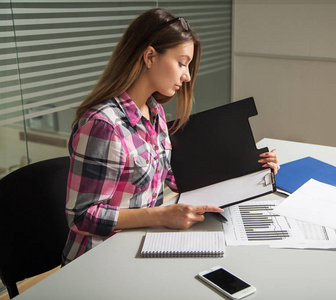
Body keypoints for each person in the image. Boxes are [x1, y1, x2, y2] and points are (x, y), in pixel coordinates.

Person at [62, 8, 280, 265]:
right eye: (182, 62)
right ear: (150, 56)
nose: (187, 76)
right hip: (98, 261)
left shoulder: (154, 112)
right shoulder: (103, 126)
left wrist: (249, 167)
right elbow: (82, 217)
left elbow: (170, 177)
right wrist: (162, 215)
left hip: (143, 244)